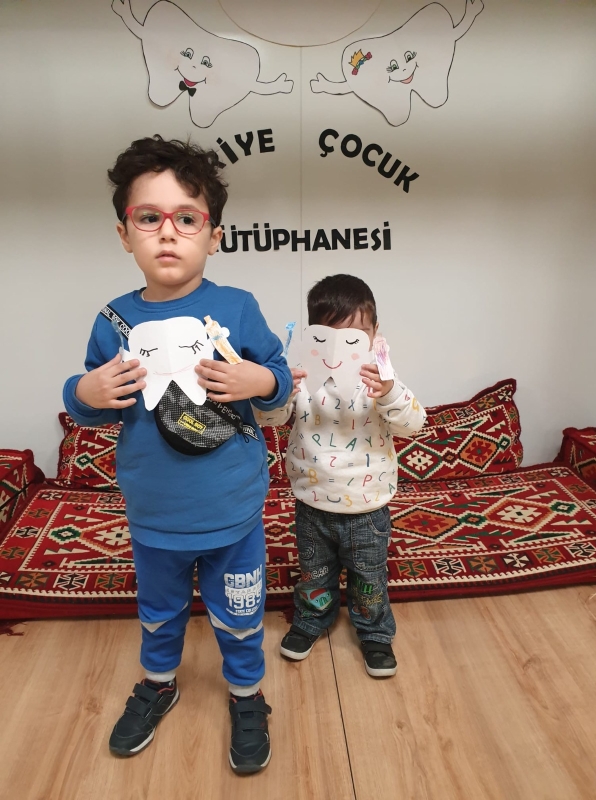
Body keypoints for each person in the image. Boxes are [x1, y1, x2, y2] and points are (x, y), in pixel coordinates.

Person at [63, 135, 292, 773]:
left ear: (213, 235)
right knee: (159, 612)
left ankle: (246, 693)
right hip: (154, 515)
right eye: (149, 217)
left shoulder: (236, 307)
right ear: (124, 233)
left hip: (234, 512)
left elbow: (280, 380)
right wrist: (84, 392)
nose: (168, 232)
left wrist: (260, 380)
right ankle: (159, 683)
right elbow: (90, 402)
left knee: (240, 614)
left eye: (186, 218)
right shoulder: (113, 320)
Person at [258, 274, 425, 677]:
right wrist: (278, 392)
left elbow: (413, 423)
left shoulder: (381, 379)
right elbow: (271, 420)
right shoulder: (302, 378)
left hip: (368, 508)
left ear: (374, 335)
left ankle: (374, 632)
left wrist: (389, 393)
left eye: (355, 336)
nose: (340, 350)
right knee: (314, 573)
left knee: (369, 578)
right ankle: (312, 619)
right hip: (312, 502)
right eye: (329, 336)